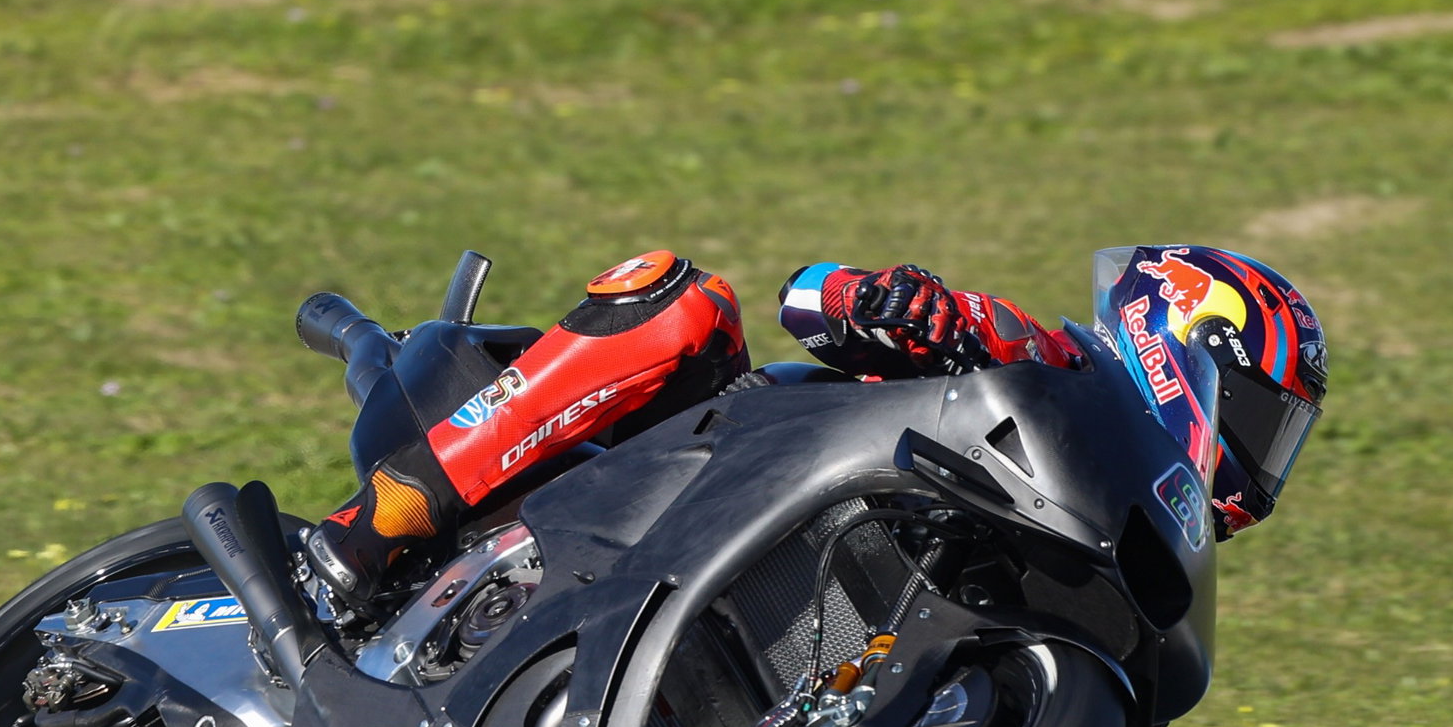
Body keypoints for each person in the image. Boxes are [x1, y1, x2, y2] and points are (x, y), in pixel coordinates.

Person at [304, 246, 1327, 610]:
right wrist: (891, 304)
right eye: (1260, 418)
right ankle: (373, 526)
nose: (1260, 461)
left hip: (749, 576)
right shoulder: (1051, 369)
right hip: (706, 462)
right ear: (1179, 339)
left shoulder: (1121, 541)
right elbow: (809, 298)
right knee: (679, 299)